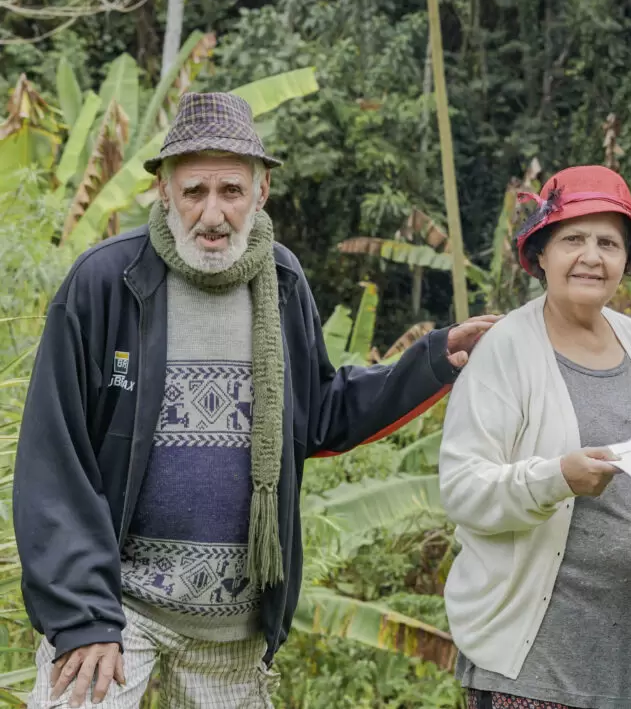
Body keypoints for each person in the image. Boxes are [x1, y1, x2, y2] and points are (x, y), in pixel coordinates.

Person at [13, 92, 497, 709]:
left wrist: (431, 360)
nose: (212, 213)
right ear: (163, 190)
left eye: (231, 191)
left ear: (261, 190)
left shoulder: (282, 281)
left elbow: (320, 411)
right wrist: (82, 618)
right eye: (194, 191)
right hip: (118, 607)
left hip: (232, 627)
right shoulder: (107, 282)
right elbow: (54, 456)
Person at [439, 165, 631, 709]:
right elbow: (462, 488)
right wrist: (557, 479)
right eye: (573, 239)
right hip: (539, 666)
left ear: (626, 261)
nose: (591, 256)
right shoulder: (507, 349)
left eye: (607, 243)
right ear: (541, 253)